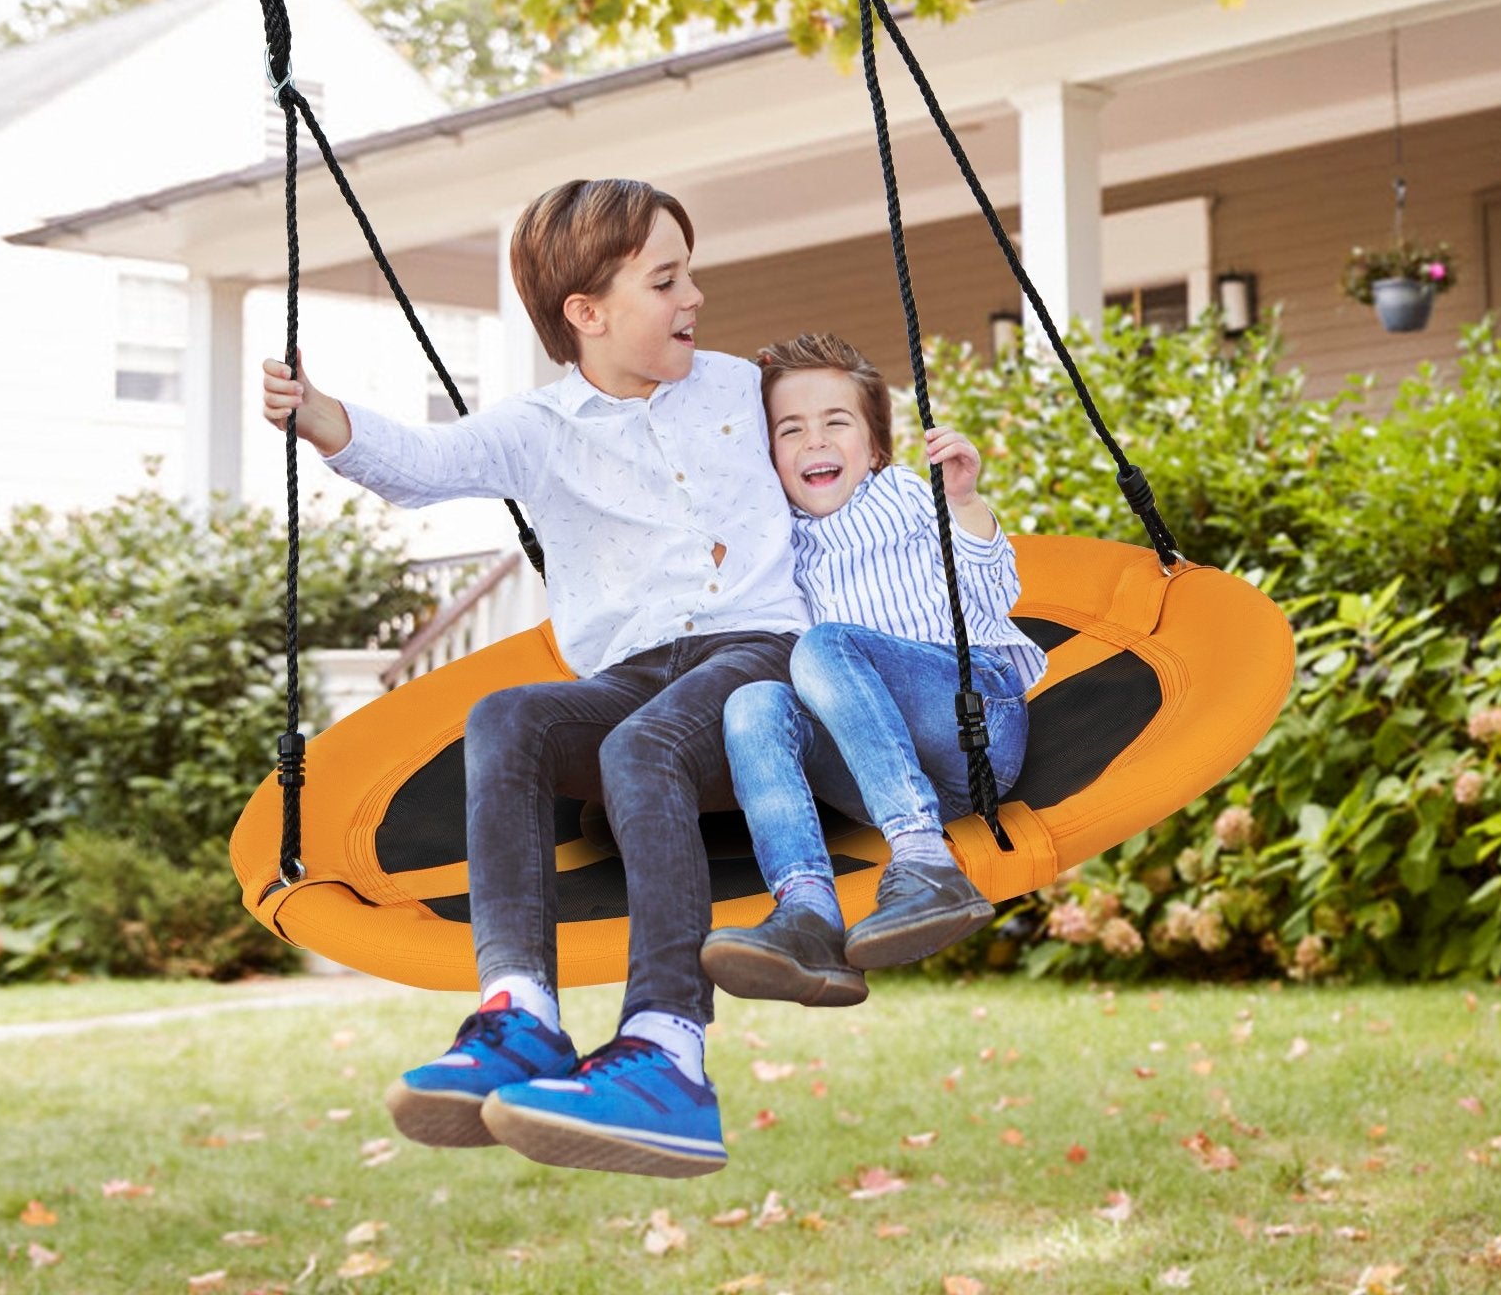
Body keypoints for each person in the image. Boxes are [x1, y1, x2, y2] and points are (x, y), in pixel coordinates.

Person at [261, 179, 809, 1179]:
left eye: (691, 274)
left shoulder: (749, 390)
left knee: (639, 742)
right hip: (639, 680)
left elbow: (850, 461)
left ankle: (670, 1054)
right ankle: (521, 1015)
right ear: (587, 314)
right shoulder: (542, 429)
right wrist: (322, 414)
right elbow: (421, 463)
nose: (695, 297)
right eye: (667, 279)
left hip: (760, 663)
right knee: (510, 716)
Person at [701, 333, 1047, 1008]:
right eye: (790, 430)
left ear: (875, 447)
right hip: (875, 771)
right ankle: (807, 917)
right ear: (767, 458)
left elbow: (994, 590)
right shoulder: (774, 545)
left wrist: (966, 503)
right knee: (754, 702)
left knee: (824, 647)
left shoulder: (907, 495)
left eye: (837, 423)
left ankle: (924, 864)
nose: (814, 443)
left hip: (971, 723)